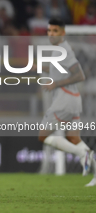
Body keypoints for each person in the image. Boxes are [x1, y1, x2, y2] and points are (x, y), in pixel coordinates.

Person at [35, 18, 96, 186]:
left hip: (66, 98)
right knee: (74, 138)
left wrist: (56, 83)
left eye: (55, 31)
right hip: (72, 98)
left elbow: (79, 75)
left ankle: (83, 154)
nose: (51, 34)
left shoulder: (64, 50)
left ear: (62, 33)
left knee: (44, 135)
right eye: (49, 31)